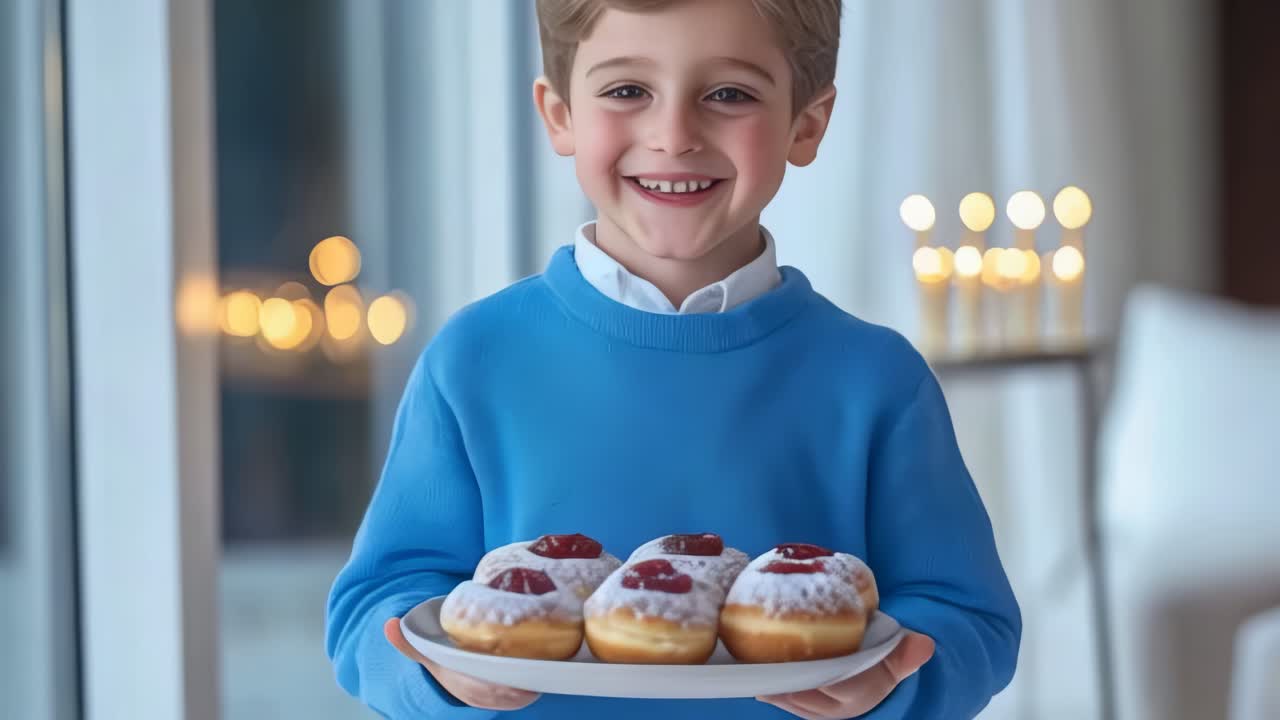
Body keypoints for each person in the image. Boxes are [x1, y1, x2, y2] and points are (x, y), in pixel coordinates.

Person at [326, 1, 1021, 718]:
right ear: (559, 112)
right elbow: (372, 611)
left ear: (806, 123)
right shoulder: (474, 360)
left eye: (729, 94)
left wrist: (892, 687)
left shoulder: (877, 381)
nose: (674, 136)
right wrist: (441, 682)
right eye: (628, 91)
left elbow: (972, 622)